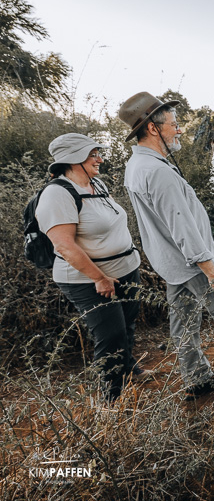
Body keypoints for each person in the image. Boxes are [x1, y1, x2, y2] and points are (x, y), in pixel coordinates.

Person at [119, 92, 214, 403]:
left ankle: (197, 379)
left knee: (184, 320)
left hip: (171, 263)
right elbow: (182, 226)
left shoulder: (137, 165)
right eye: (174, 125)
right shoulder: (157, 171)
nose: (178, 130)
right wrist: (212, 271)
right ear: (153, 128)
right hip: (191, 262)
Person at [36, 133, 146, 402]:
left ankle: (128, 368)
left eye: (98, 152)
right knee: (111, 336)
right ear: (73, 160)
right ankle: (110, 402)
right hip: (89, 279)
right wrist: (100, 277)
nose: (100, 158)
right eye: (92, 154)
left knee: (127, 324)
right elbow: (64, 246)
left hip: (126, 269)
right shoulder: (57, 194)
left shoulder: (97, 184)